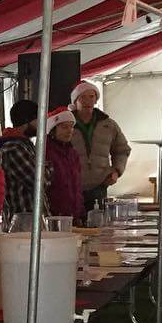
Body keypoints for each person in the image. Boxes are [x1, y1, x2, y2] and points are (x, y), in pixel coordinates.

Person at [69, 81, 130, 215]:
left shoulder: (109, 124)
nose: (88, 101)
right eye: (82, 97)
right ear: (75, 101)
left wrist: (116, 171)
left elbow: (122, 149)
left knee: (98, 226)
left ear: (96, 99)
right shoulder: (66, 124)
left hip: (100, 185)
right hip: (71, 186)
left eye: (91, 96)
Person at [0, 99, 49, 226]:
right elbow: (41, 181)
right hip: (25, 224)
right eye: (38, 119)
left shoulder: (23, 145)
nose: (42, 124)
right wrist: (48, 169)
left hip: (30, 221)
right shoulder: (14, 148)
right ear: (26, 121)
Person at [45, 108, 84, 223]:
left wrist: (81, 212)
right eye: (64, 127)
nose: (69, 131)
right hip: (54, 217)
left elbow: (77, 185)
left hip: (74, 216)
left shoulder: (73, 154)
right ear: (53, 129)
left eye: (71, 126)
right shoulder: (45, 153)